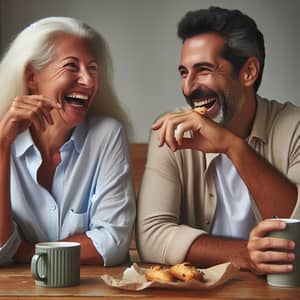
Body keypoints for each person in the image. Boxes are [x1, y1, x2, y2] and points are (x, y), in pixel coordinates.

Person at [136, 6, 300, 275]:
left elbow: (298, 229)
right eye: (184, 72)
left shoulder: (294, 127)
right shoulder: (170, 131)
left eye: (203, 69)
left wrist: (232, 146)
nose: (188, 87)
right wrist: (245, 254)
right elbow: (151, 236)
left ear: (248, 72)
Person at [0, 17, 136, 266]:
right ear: (32, 76)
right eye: (71, 66)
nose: (88, 81)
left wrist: (23, 252)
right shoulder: (2, 137)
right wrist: (1, 148)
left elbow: (112, 243)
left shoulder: (107, 135)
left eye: (92, 68)